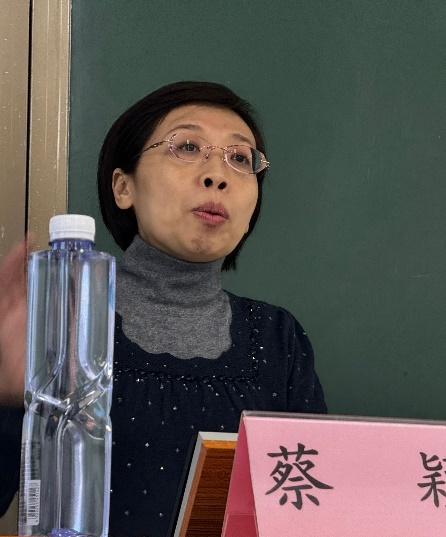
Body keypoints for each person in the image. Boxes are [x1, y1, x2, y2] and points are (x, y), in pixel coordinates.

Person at [0, 81, 327, 537]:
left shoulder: (278, 337)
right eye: (188, 147)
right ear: (123, 187)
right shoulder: (62, 323)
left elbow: (311, 510)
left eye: (240, 158)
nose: (218, 175)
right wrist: (6, 397)